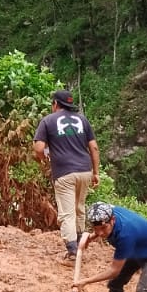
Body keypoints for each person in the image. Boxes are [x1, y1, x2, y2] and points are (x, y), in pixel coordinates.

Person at [33, 89, 100, 262]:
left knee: (67, 213)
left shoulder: (48, 121)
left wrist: (43, 158)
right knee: (79, 208)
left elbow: (39, 148)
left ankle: (72, 252)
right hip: (85, 171)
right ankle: (79, 245)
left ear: (55, 103)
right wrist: (96, 173)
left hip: (64, 173)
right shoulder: (82, 120)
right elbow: (94, 147)